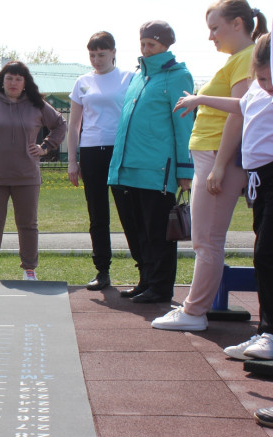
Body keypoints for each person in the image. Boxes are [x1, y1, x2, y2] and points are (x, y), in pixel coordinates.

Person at [153, 1, 267, 328]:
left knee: (206, 240)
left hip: (220, 156)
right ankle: (194, 308)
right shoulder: (239, 59)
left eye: (215, 28)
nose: (210, 37)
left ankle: (194, 311)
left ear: (237, 24)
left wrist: (220, 167)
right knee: (205, 239)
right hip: (212, 155)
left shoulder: (247, 58)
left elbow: (240, 112)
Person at [173, 34, 273, 359]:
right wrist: (200, 100)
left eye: (270, 79)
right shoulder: (258, 90)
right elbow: (240, 105)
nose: (266, 85)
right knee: (264, 255)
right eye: (261, 78)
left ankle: (269, 334)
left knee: (268, 254)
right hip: (261, 180)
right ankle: (267, 332)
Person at [107, 21, 194, 303]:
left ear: (166, 46)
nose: (146, 50)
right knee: (136, 230)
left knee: (158, 231)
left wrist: (184, 169)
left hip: (157, 170)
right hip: (126, 169)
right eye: (143, 44)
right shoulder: (138, 77)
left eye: (152, 45)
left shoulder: (178, 76)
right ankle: (146, 279)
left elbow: (184, 126)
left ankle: (161, 286)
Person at [0, 61, 67, 282]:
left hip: (27, 176)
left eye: (18, 79)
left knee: (28, 224)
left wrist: (45, 147)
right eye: (9, 78)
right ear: (2, 81)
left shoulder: (37, 105)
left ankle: (29, 269)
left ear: (25, 83)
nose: (13, 83)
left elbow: (60, 125)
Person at [68, 31, 135, 291]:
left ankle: (144, 269)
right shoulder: (82, 82)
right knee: (98, 214)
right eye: (92, 55)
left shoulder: (129, 78)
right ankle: (102, 270)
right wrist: (73, 161)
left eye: (102, 54)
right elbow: (74, 125)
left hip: (120, 151)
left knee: (129, 211)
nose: (96, 60)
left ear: (114, 52)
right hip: (92, 151)